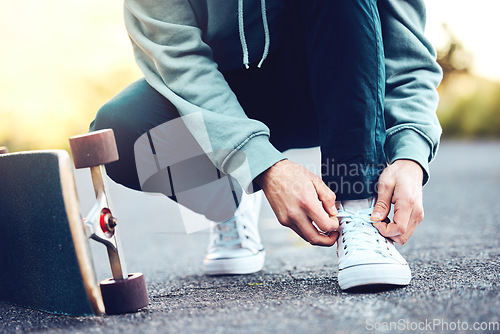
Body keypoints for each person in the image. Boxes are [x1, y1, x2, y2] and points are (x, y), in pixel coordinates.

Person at [90, 0, 442, 290]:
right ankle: (227, 196)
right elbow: (179, 63)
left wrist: (411, 154)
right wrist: (258, 165)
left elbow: (406, 52)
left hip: (331, 81)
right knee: (120, 134)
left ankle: (358, 205)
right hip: (221, 93)